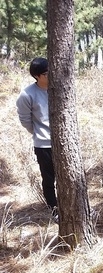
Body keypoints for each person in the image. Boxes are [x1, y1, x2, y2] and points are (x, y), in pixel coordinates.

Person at [16, 57, 58, 220]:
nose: (51, 75)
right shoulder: (27, 95)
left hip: (63, 143)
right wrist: (40, 133)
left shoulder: (58, 88)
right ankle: (55, 210)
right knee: (49, 179)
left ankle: (76, 207)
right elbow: (25, 120)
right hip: (43, 145)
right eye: (47, 73)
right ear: (38, 76)